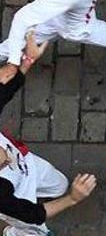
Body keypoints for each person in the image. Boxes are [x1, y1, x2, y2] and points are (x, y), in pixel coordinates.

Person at [0, 32, 97, 236]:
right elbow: (34, 214)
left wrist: (28, 59)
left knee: (59, 184)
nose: (4, 153)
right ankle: (12, 231)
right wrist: (73, 198)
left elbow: (5, 92)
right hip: (17, 197)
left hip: (27, 165)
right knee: (34, 229)